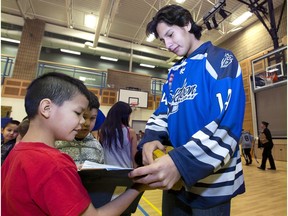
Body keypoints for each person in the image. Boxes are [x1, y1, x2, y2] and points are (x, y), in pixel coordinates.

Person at [129, 4, 246, 216]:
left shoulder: (221, 59)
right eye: (163, 40)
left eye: (170, 34)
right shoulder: (174, 72)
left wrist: (180, 162)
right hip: (176, 182)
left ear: (186, 24)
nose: (168, 44)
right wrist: (150, 138)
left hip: (211, 185)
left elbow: (226, 124)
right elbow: (163, 112)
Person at [1, 72, 151, 215]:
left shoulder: (17, 151)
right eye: (78, 113)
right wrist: (138, 188)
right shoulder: (55, 164)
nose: (82, 122)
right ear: (46, 108)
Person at [55, 91, 104, 167]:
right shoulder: (57, 144)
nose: (87, 123)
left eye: (92, 118)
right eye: (84, 116)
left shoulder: (97, 146)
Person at [99, 101, 138, 168]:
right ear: (124, 116)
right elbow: (134, 157)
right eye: (129, 115)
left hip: (107, 171)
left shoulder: (102, 131)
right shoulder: (130, 132)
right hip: (125, 171)